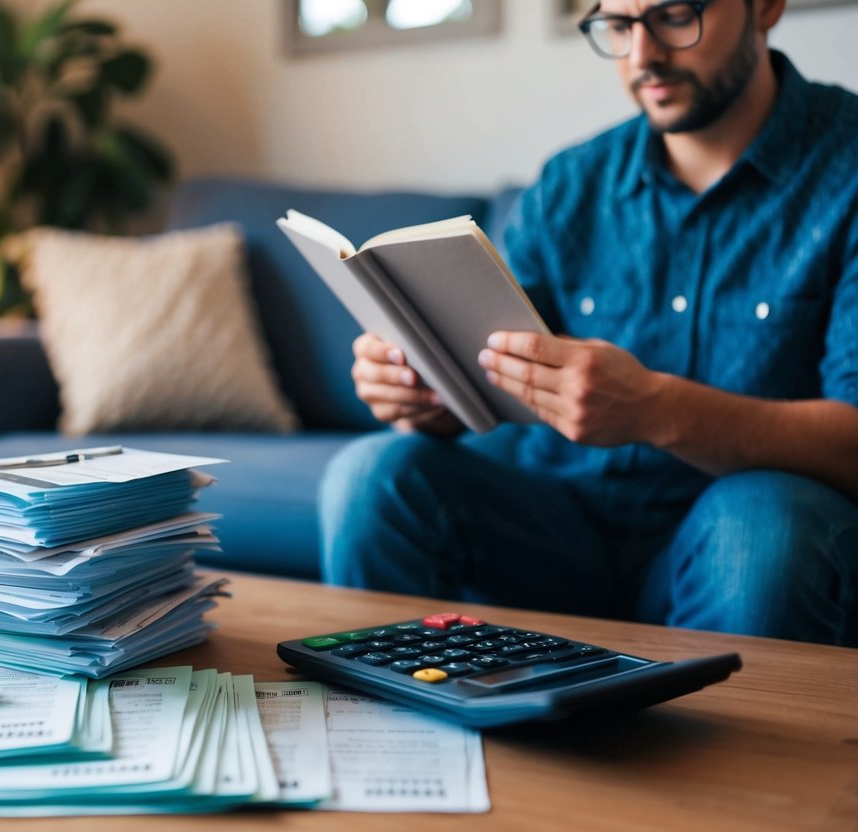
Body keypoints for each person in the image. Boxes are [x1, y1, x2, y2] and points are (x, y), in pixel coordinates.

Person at [319, 0, 858, 645]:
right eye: (618, 24)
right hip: (559, 531)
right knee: (373, 475)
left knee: (761, 527)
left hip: (736, 538)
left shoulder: (846, 170)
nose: (643, 55)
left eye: (675, 15)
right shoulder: (571, 184)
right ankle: (399, 732)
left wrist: (656, 408)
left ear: (765, 8)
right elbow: (493, 376)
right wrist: (424, 394)